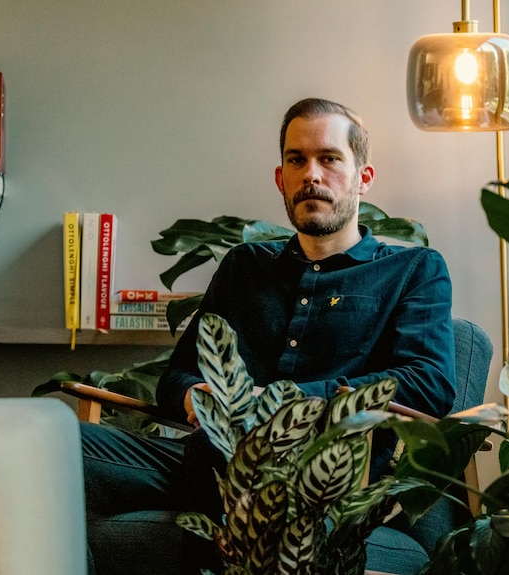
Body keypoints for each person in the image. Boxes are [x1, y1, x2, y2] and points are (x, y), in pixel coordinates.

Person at [81, 97, 456, 574]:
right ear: (281, 179)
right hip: (207, 458)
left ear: (363, 178)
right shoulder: (244, 266)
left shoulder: (412, 270)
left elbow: (429, 383)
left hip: (323, 478)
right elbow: (178, 373)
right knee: (51, 447)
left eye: (329, 158)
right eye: (296, 160)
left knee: (264, 494)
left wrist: (280, 402)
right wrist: (196, 399)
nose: (311, 175)